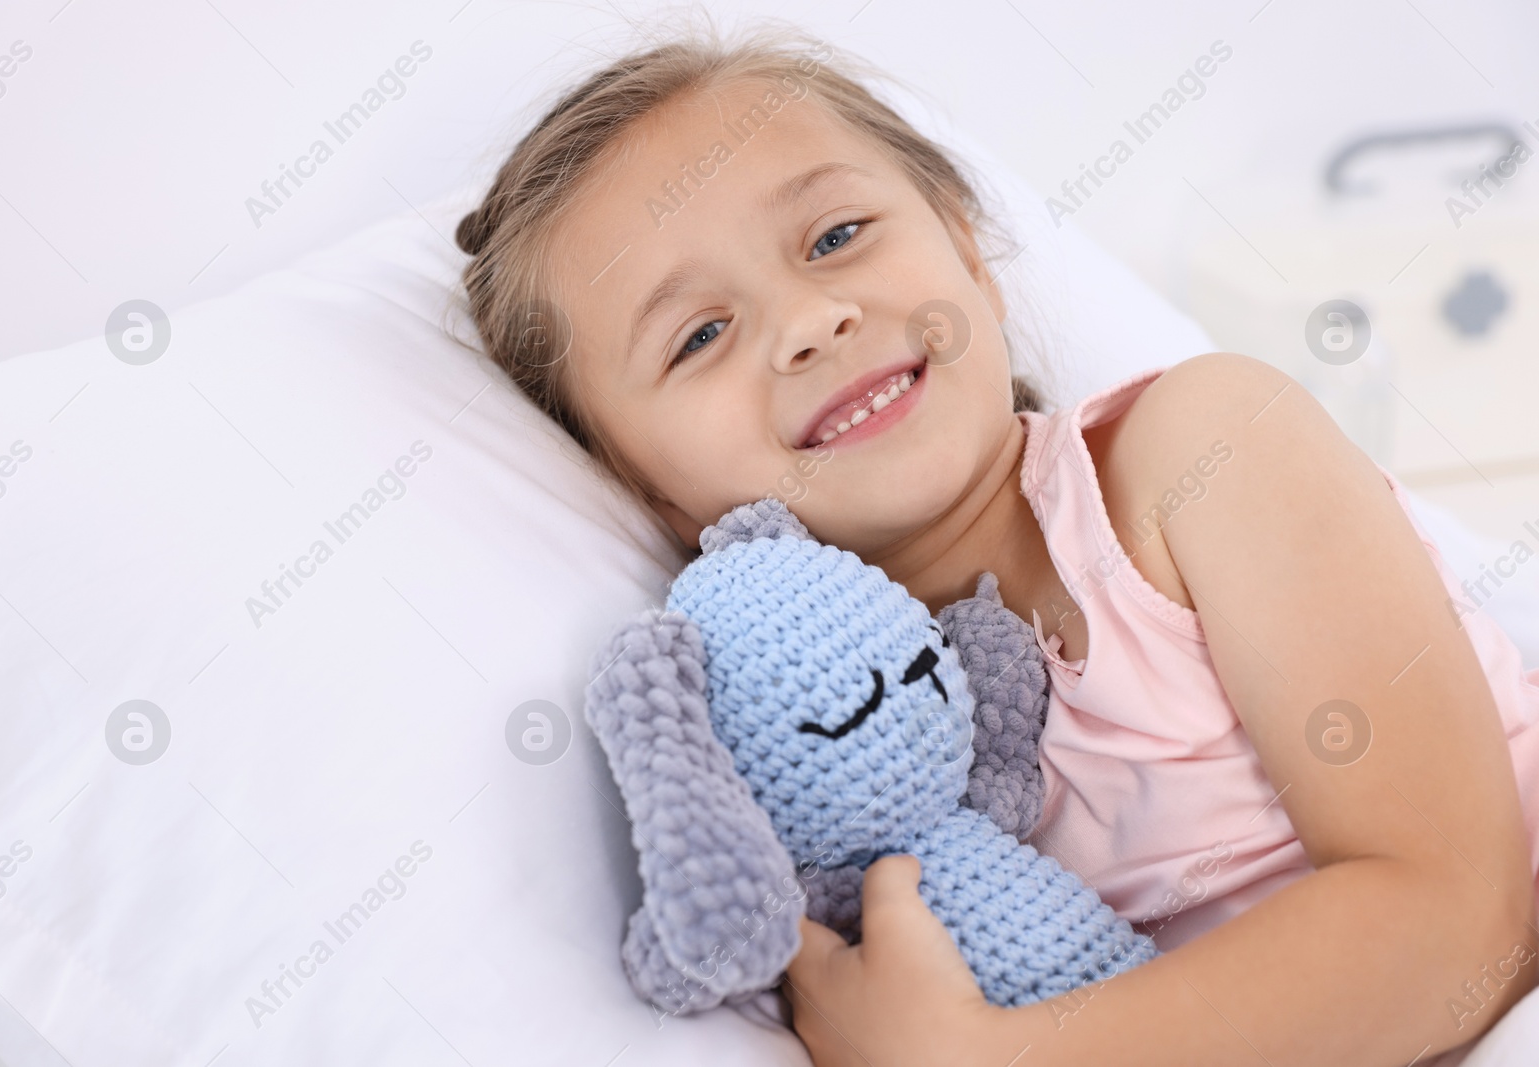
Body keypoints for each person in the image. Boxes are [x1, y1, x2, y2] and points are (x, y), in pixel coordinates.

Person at [454, 26, 1539, 1066]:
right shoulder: (814, 754)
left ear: (970, 254)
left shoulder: (1196, 456)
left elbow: (1460, 923)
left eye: (837, 236)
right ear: (644, 488)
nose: (811, 318)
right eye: (698, 335)